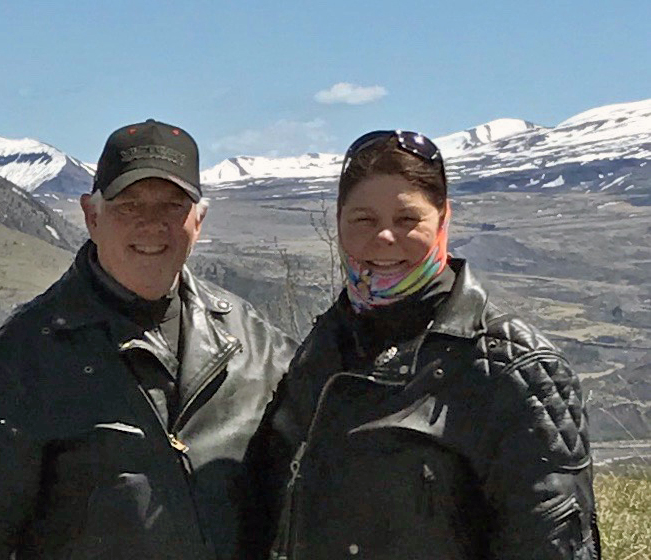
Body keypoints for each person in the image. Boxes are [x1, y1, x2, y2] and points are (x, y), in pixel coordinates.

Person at [0, 119, 297, 560]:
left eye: (171, 206)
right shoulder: (23, 358)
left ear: (198, 221)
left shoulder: (256, 346)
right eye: (129, 204)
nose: (151, 224)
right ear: (92, 215)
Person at [247, 130, 601, 559]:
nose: (383, 239)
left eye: (406, 220)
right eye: (364, 219)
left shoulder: (512, 369)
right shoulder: (323, 349)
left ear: (443, 219)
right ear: (338, 222)